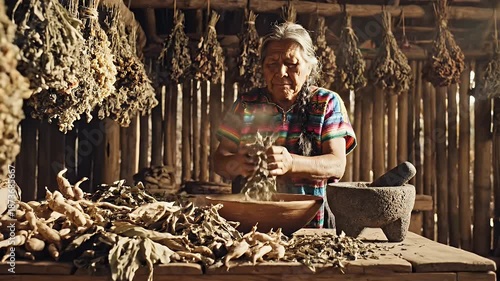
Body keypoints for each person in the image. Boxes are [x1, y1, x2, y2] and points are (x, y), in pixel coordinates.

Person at [213, 22, 357, 228]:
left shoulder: (326, 103)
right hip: (251, 226)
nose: (280, 72)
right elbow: (219, 160)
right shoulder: (246, 104)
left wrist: (291, 164)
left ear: (309, 67)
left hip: (310, 226)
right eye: (272, 63)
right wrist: (237, 163)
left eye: (291, 64)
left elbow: (337, 165)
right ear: (263, 67)